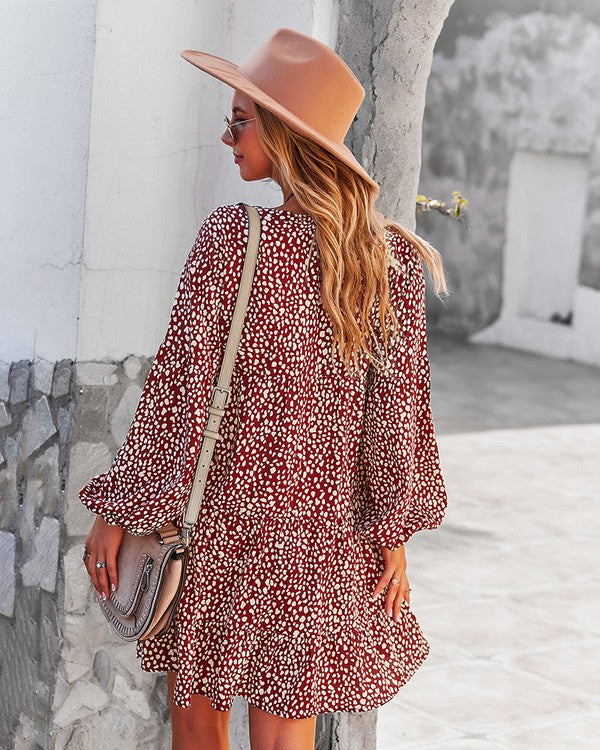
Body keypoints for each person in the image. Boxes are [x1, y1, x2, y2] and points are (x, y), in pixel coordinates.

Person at [80, 26, 449, 750]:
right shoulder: (393, 263)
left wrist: (122, 509)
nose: (226, 137)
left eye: (240, 120)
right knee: (286, 736)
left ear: (287, 133)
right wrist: (391, 535)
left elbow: (179, 395)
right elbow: (397, 423)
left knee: (199, 722)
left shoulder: (233, 240)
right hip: (320, 540)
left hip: (224, 528)